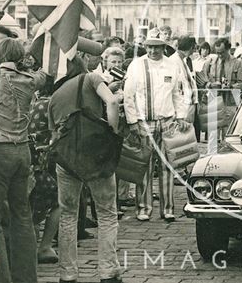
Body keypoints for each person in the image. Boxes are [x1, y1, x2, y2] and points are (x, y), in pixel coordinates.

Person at [0, 38, 47, 283]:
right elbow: (44, 74)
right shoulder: (30, 80)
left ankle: (0, 277)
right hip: (22, 151)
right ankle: (27, 278)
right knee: (22, 215)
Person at [48, 56, 123, 283]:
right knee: (107, 212)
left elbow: (54, 133)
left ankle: (68, 275)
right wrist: (112, 132)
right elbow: (112, 102)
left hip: (67, 160)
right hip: (95, 155)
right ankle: (108, 272)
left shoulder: (55, 96)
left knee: (68, 216)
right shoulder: (91, 78)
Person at [123, 28, 188, 222]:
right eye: (150, 47)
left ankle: (168, 209)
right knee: (145, 166)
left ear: (163, 47)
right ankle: (144, 208)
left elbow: (178, 94)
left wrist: (181, 116)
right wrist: (132, 121)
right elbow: (128, 95)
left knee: (168, 166)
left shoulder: (172, 65)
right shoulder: (136, 65)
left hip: (167, 122)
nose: (153, 51)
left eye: (157, 47)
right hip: (145, 122)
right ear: (146, 47)